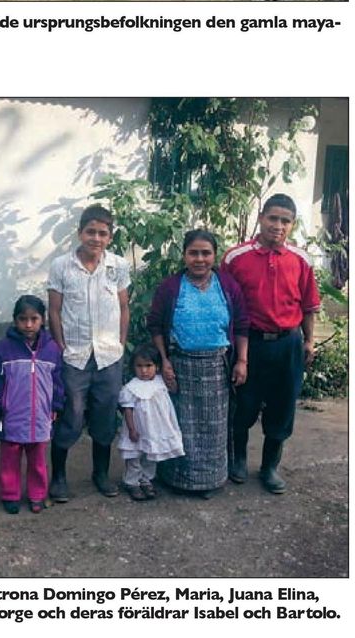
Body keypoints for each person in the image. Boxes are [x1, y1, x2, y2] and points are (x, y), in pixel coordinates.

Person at [223, 195, 320, 494]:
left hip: (288, 343)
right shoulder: (234, 258)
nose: (278, 226)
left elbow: (309, 305)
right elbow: (225, 304)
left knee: (282, 405)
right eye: (273, 218)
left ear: (292, 225)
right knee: (244, 404)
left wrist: (309, 341)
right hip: (249, 343)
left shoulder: (300, 259)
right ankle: (238, 458)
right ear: (261, 217)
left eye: (285, 221)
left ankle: (269, 467)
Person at [147, 229, 249, 497]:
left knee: (214, 428)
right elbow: (156, 325)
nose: (200, 259)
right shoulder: (170, 287)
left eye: (206, 253)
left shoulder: (227, 286)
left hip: (217, 366)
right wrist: (165, 362)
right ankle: (178, 479)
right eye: (193, 253)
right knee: (181, 424)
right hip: (181, 365)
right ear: (184, 255)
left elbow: (241, 325)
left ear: (215, 255)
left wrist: (242, 360)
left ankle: (211, 480)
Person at [47, 204, 130, 501]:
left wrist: (119, 343)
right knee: (71, 414)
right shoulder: (61, 266)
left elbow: (123, 306)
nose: (96, 238)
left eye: (103, 233)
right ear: (80, 232)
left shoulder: (118, 266)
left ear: (110, 236)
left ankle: (100, 474)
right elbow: (54, 311)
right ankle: (58, 477)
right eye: (90, 231)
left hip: (109, 356)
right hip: (75, 356)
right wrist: (60, 346)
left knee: (105, 416)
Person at [0, 296, 64, 515]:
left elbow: (58, 380)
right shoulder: (4, 348)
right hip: (12, 414)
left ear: (43, 320)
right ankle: (10, 494)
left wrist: (55, 405)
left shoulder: (51, 350)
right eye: (22, 319)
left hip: (41, 415)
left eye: (34, 319)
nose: (28, 325)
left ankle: (37, 494)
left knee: (38, 457)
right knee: (10, 455)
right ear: (15, 320)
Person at [115, 346, 185, 501]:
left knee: (150, 455)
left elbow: (174, 390)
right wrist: (132, 429)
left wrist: (171, 377)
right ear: (133, 367)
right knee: (134, 456)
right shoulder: (130, 388)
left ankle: (146, 480)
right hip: (138, 429)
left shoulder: (160, 382)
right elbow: (128, 410)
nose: (144, 371)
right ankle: (132, 482)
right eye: (139, 366)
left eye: (148, 366)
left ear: (157, 367)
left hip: (155, 429)